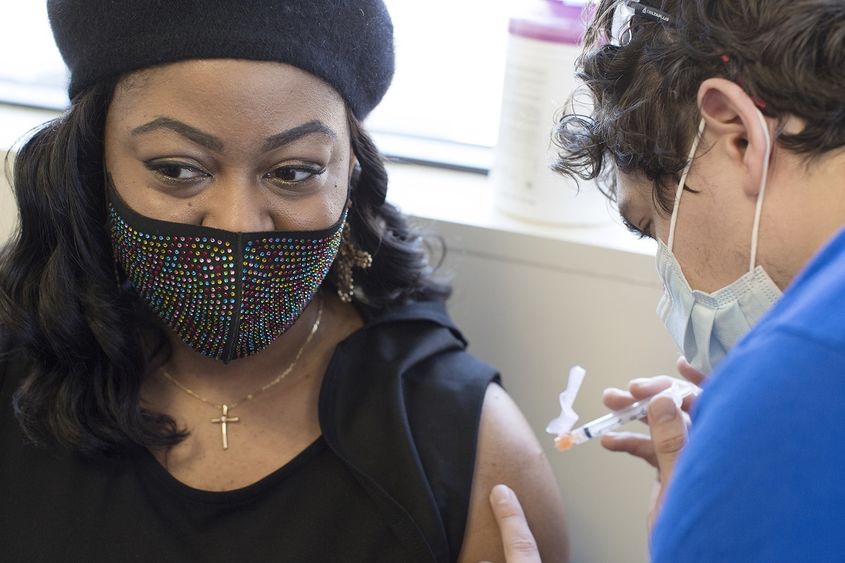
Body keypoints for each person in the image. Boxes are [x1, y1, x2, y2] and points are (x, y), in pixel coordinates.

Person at [0, 2, 569, 561]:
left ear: (351, 173)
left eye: (293, 172)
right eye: (177, 169)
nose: (238, 222)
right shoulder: (18, 365)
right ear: (93, 164)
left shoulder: (470, 452)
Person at [489, 0, 845, 561]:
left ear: (738, 134)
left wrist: (724, 495)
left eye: (654, 227)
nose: (670, 285)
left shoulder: (795, 391)